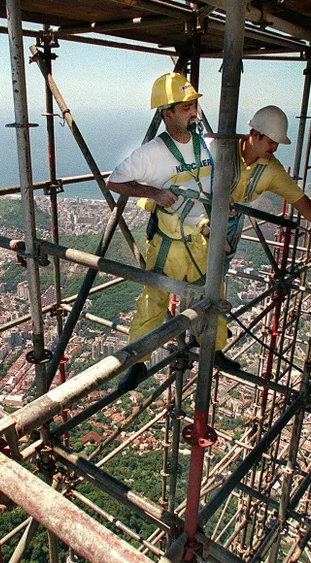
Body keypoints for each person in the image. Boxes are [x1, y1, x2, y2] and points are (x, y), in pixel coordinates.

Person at [107, 72, 239, 392]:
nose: (194, 112)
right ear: (167, 113)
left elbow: (213, 182)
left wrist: (225, 202)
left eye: (194, 105)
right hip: (168, 243)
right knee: (153, 301)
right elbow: (115, 182)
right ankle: (136, 363)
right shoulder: (151, 154)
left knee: (211, 296)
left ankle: (214, 349)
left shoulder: (204, 145)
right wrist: (154, 194)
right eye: (186, 107)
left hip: (200, 237)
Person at [225, 105, 311, 255]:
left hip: (229, 224)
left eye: (277, 144)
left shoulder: (271, 169)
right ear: (256, 134)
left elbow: (299, 199)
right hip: (198, 215)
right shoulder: (221, 149)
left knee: (219, 265)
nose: (274, 148)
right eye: (271, 142)